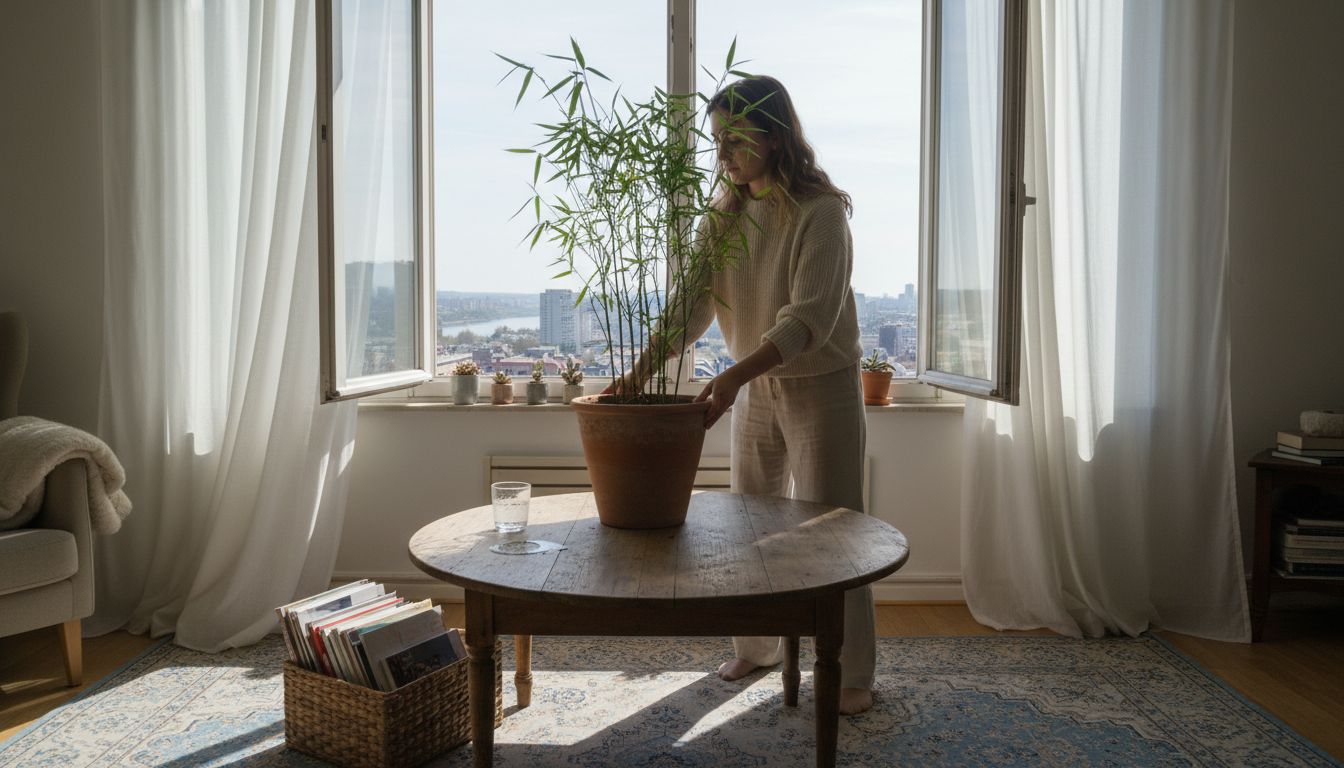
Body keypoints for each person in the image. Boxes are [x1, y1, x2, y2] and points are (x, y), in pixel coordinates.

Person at [612, 75, 875, 715]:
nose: (723, 153)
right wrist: (638, 375)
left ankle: (852, 676)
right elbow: (690, 308)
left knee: (835, 533)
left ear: (774, 134)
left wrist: (731, 376)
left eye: (734, 138)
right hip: (755, 387)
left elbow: (806, 319)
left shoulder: (821, 211)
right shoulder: (723, 216)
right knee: (750, 529)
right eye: (716, 140)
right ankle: (757, 648)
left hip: (820, 389)